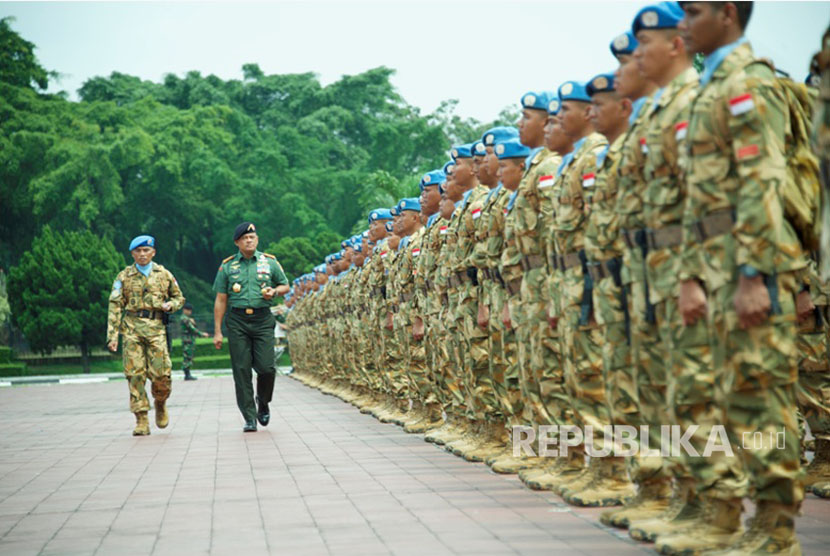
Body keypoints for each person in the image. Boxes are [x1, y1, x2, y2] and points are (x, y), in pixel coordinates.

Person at [212, 222, 289, 432]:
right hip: (237, 321)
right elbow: (221, 299)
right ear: (237, 242)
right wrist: (218, 331)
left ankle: (263, 402)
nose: (249, 240)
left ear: (257, 239)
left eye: (252, 237)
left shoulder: (270, 262)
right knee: (242, 369)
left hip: (263, 319)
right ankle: (249, 416)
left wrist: (274, 291)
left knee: (266, 367)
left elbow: (285, 285)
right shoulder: (228, 266)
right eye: (245, 238)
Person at [107, 235, 185, 436]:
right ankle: (141, 419)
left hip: (156, 329)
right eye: (138, 251)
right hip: (132, 329)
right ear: (132, 254)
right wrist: (113, 335)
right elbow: (115, 306)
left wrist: (171, 305)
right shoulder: (124, 277)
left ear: (153, 253)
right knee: (135, 375)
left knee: (161, 374)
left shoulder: (163, 274)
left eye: (146, 251)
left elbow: (179, 297)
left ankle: (160, 402)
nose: (142, 255)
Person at [180, 303, 208, 381]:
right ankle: (187, 374)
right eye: (188, 310)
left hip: (189, 340)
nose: (190, 312)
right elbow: (192, 329)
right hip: (187, 340)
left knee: (189, 356)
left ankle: (188, 374)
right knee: (187, 357)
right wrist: (202, 334)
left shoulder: (186, 318)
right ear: (184, 310)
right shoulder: (185, 319)